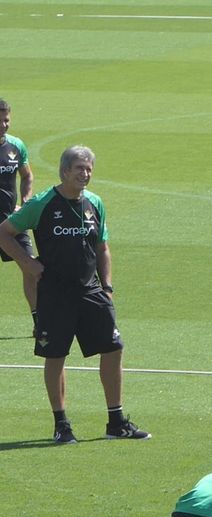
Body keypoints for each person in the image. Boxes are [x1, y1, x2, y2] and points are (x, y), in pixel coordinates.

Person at [0, 145, 149, 443]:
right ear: (65, 171)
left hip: (91, 290)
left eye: (89, 168)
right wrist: (28, 263)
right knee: (56, 355)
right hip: (55, 294)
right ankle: (61, 424)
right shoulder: (42, 203)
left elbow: (102, 247)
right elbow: (4, 232)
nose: (86, 173)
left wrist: (107, 286)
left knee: (114, 347)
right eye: (80, 168)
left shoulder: (95, 203)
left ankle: (116, 422)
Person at [0, 98, 36, 326]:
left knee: (31, 267)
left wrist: (26, 201)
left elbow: (27, 175)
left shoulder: (16, 145)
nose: (3, 125)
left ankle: (39, 319)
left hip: (11, 221)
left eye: (6, 120)